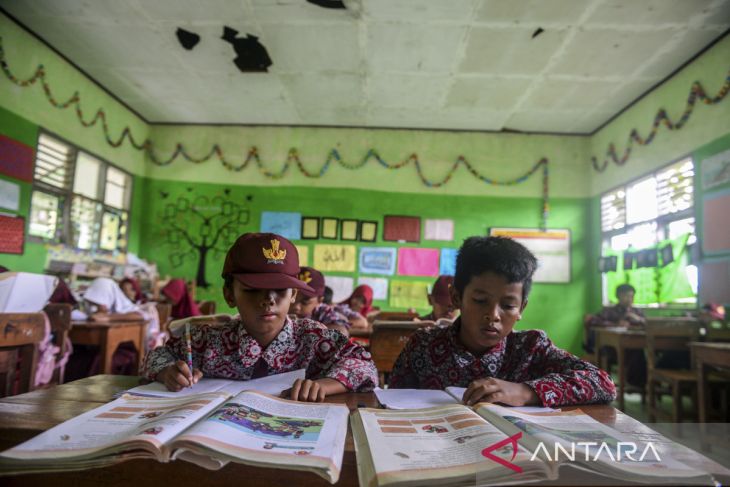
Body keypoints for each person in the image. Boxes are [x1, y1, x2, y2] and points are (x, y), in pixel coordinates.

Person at [141, 233, 378, 401]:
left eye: (281, 290)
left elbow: (365, 366)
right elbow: (156, 356)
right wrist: (168, 372)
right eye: (253, 289)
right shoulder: (206, 341)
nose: (268, 300)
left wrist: (322, 386)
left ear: (294, 294)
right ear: (229, 294)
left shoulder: (314, 338)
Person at [389, 236, 616, 408]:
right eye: (480, 301)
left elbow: (603, 383)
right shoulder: (423, 346)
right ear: (457, 297)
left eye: (508, 306)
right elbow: (390, 403)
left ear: (521, 308)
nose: (494, 315)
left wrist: (527, 392)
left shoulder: (531, 348)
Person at [584, 284, 645, 353]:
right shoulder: (610, 311)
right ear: (618, 296)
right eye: (626, 296)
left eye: (631, 296)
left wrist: (639, 319)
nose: (629, 299)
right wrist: (615, 324)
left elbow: (648, 324)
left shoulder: (636, 311)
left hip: (635, 343)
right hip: (613, 347)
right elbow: (592, 321)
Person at [289, 267, 350, 336]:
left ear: (320, 300)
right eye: (292, 297)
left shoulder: (323, 312)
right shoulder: (282, 308)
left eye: (305, 302)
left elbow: (343, 332)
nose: (296, 306)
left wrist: (308, 329)